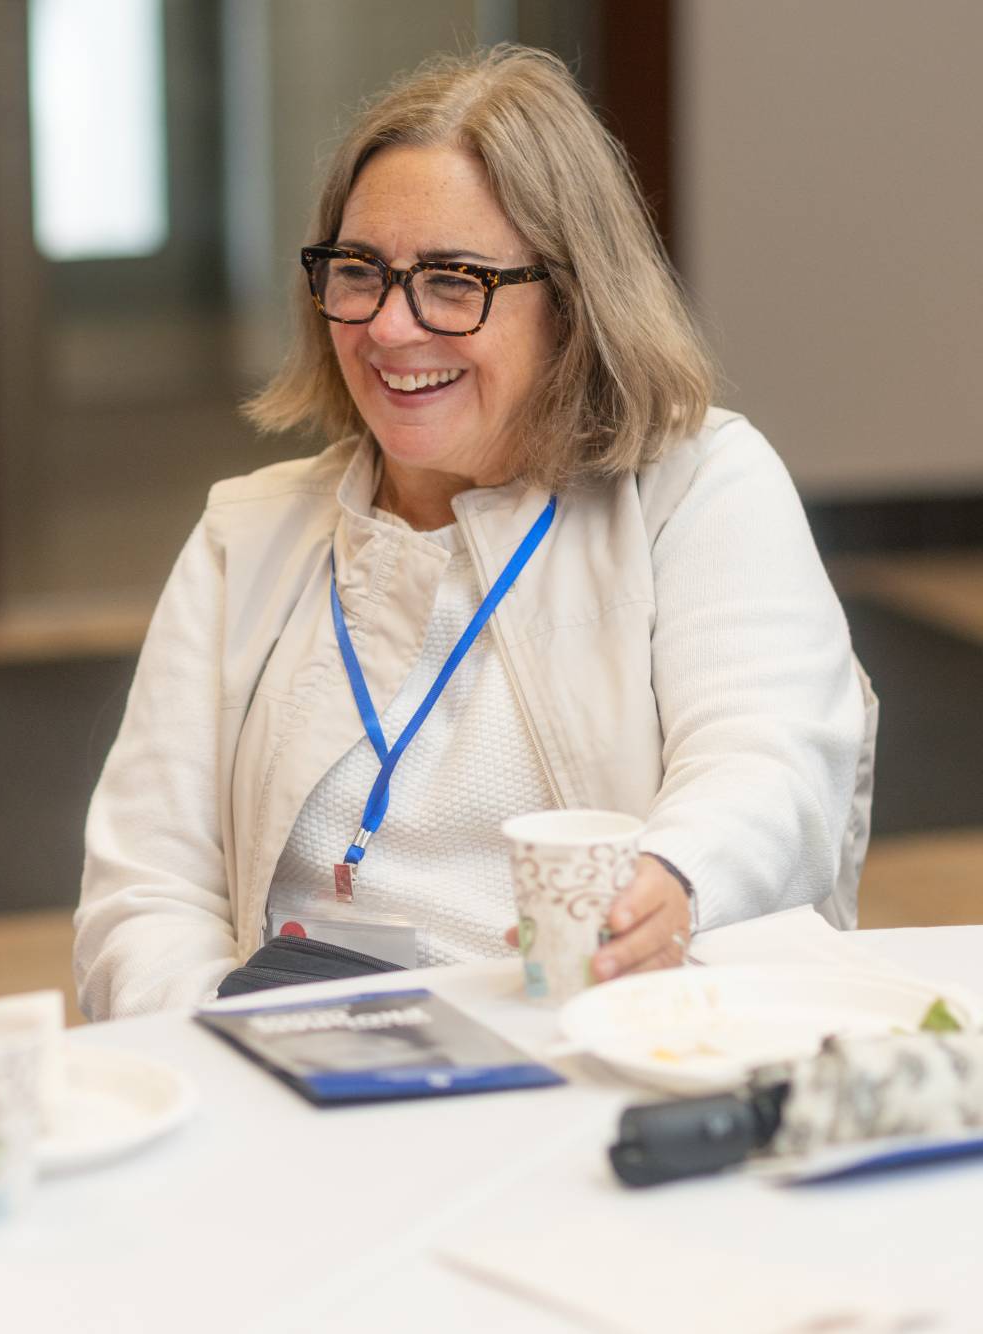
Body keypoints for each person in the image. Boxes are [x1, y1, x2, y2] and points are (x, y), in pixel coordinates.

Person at [74, 46, 875, 1021]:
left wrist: (665, 879)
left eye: (453, 280)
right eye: (357, 272)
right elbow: (143, 893)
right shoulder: (243, 536)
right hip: (292, 1076)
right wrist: (227, 1038)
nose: (389, 329)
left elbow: (769, 765)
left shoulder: (699, 485)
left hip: (596, 1042)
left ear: (572, 304)